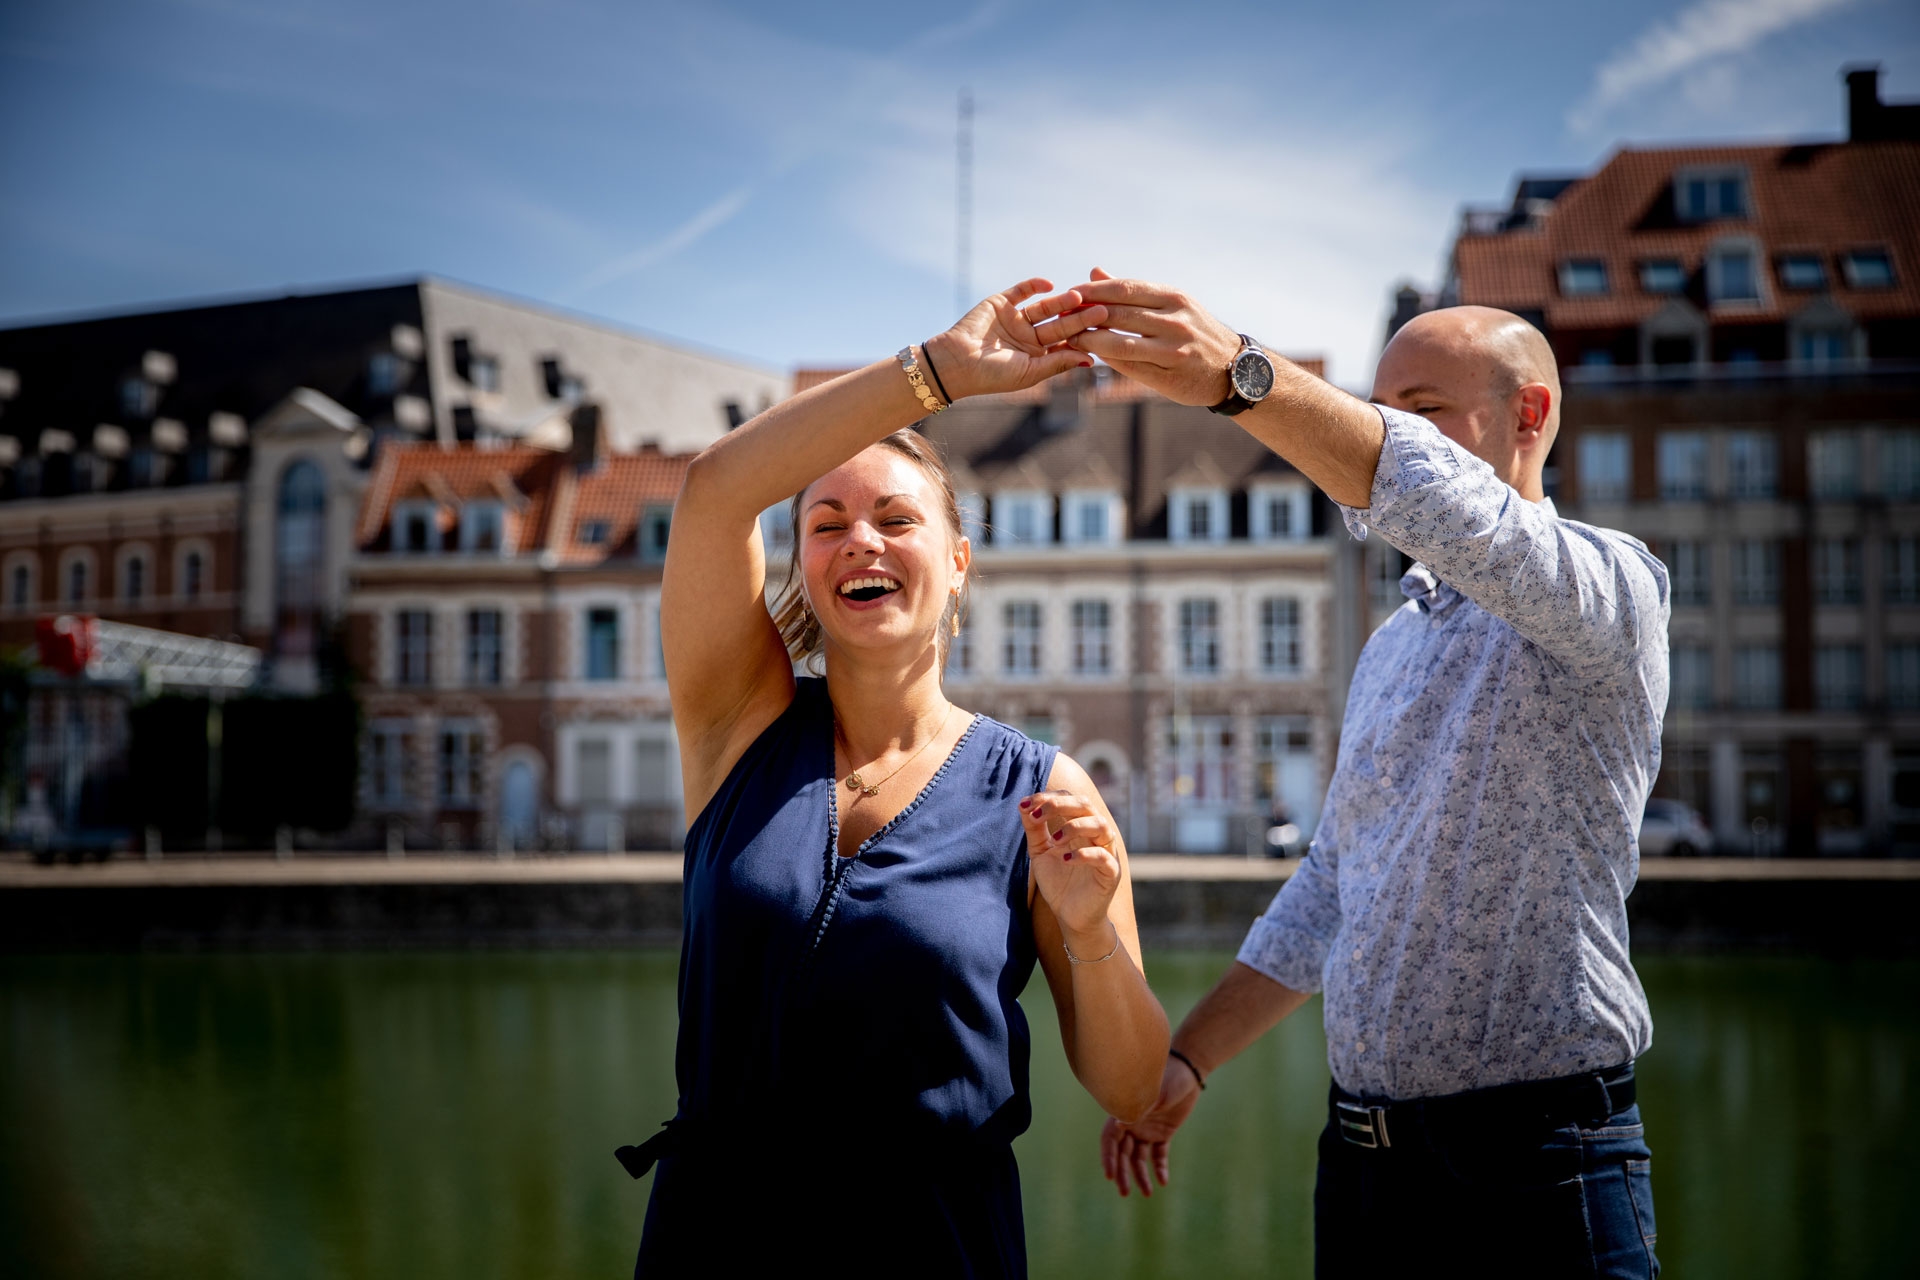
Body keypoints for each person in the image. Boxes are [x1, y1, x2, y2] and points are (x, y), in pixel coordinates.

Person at [1069, 273, 1667, 1279]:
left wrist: (1243, 378)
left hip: (1541, 1164)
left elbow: (1447, 507)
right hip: (1363, 1167)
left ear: (1530, 415)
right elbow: (1334, 888)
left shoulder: (1609, 592)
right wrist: (1190, 1058)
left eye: (1421, 415)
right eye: (1382, 412)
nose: (1389, 437)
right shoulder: (1392, 646)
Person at [621, 278, 1170, 1278]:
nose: (859, 539)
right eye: (826, 522)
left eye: (893, 518)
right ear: (802, 568)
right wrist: (938, 375)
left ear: (958, 561)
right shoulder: (734, 726)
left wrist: (1087, 929)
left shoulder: (1042, 790)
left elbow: (1135, 1089)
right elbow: (714, 488)